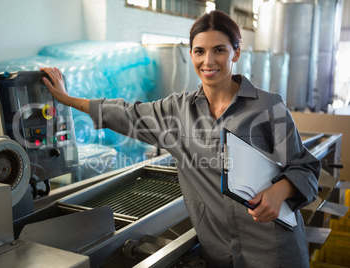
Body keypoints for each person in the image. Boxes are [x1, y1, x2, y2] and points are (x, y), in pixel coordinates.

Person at [40, 10, 320, 268]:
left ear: (235, 53)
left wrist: (281, 190)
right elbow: (127, 114)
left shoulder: (267, 107)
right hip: (220, 255)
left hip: (274, 253)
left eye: (219, 50)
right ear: (191, 54)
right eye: (200, 51)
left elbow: (304, 167)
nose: (208, 61)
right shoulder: (176, 111)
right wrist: (67, 99)